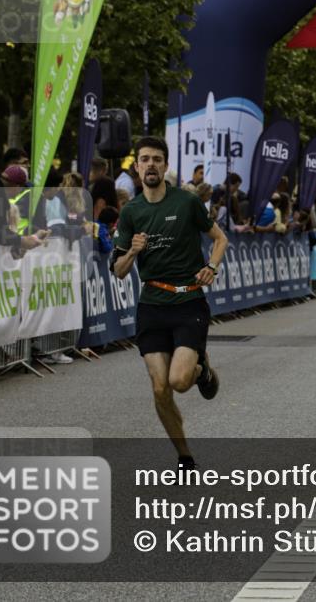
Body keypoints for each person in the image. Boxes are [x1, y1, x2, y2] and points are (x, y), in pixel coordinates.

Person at [111, 136, 229, 471]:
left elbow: (220, 239)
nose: (150, 165)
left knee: (179, 381)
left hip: (189, 301)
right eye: (144, 159)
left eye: (157, 160)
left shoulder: (186, 202)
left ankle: (201, 368)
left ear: (165, 166)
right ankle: (185, 457)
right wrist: (132, 251)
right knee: (160, 387)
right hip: (152, 304)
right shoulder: (131, 212)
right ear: (137, 168)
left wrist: (211, 266)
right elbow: (119, 271)